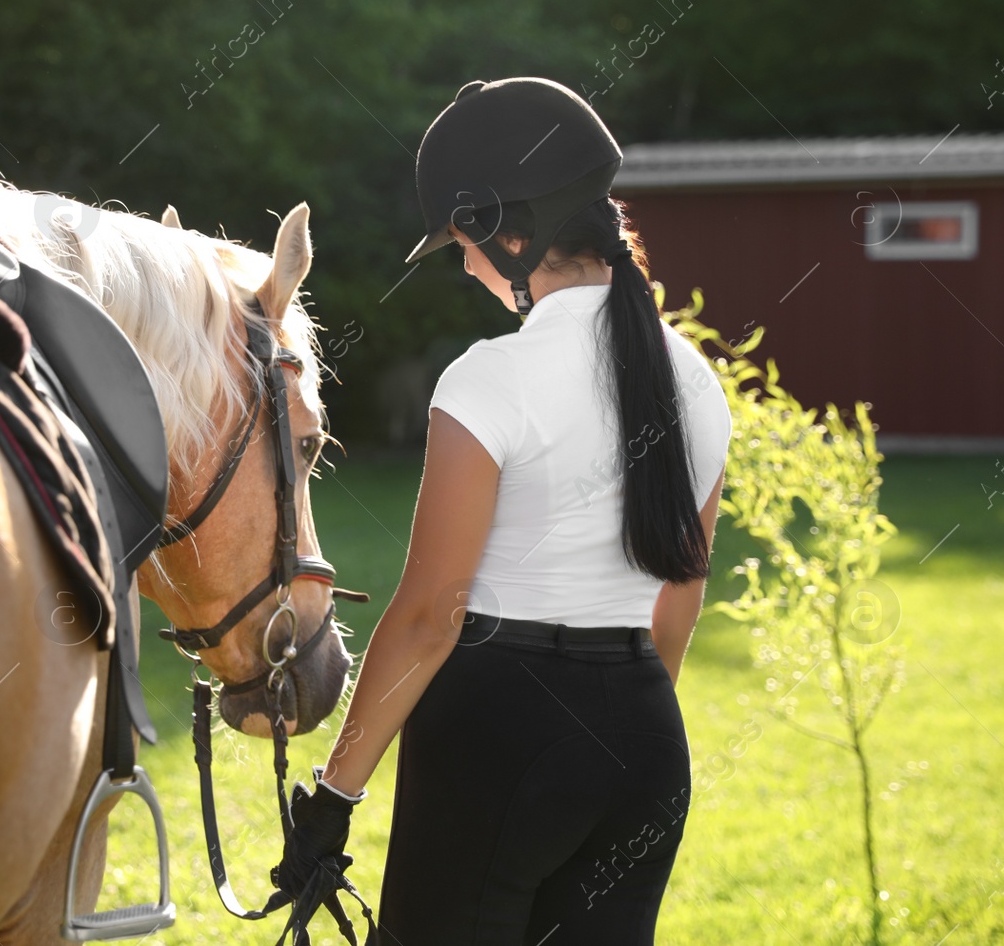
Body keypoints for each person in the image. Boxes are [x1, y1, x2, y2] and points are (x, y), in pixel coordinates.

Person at [271, 77, 733, 944]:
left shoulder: (487, 378)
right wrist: (613, 724)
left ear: (510, 234)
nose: (466, 265)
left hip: (498, 732)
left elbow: (425, 616)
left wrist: (334, 796)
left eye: (463, 244)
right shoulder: (701, 383)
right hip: (646, 737)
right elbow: (679, 601)